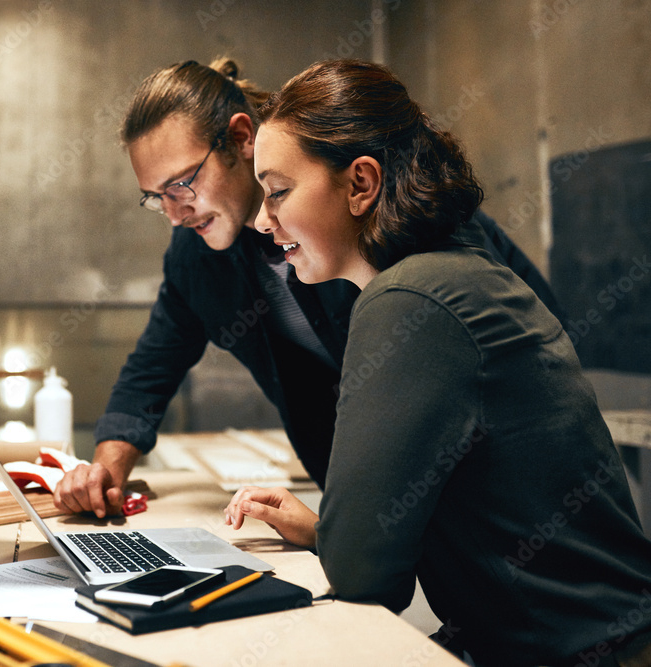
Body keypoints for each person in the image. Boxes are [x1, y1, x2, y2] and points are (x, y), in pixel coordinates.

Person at [224, 59, 651, 666]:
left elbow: (366, 580)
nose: (264, 221)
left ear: (361, 184)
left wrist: (340, 541)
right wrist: (332, 532)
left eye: (279, 191)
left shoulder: (409, 301)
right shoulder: (455, 275)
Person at [53, 58, 563, 519]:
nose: (172, 213)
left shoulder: (390, 217)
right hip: (374, 497)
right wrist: (106, 466)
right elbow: (153, 364)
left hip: (502, 478)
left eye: (181, 184)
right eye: (154, 198)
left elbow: (507, 352)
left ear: (241, 138)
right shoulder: (200, 257)